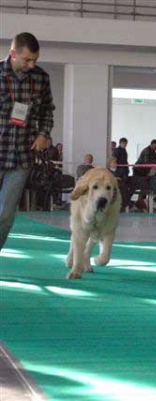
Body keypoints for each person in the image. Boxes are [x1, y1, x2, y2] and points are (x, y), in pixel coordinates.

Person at [0, 32, 55, 251]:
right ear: (13, 53)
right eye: (27, 60)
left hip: (22, 156)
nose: (32, 65)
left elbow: (47, 113)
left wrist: (44, 134)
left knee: (5, 214)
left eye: (35, 60)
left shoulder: (41, 78)